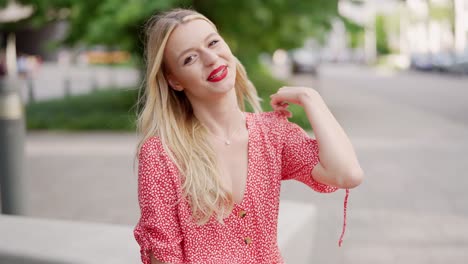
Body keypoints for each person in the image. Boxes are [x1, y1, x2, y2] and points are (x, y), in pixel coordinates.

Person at [134, 8, 364, 264]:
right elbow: (163, 257)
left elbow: (347, 174)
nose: (211, 59)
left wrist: (310, 98)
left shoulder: (272, 134)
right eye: (190, 58)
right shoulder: (163, 154)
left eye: (213, 42)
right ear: (175, 80)